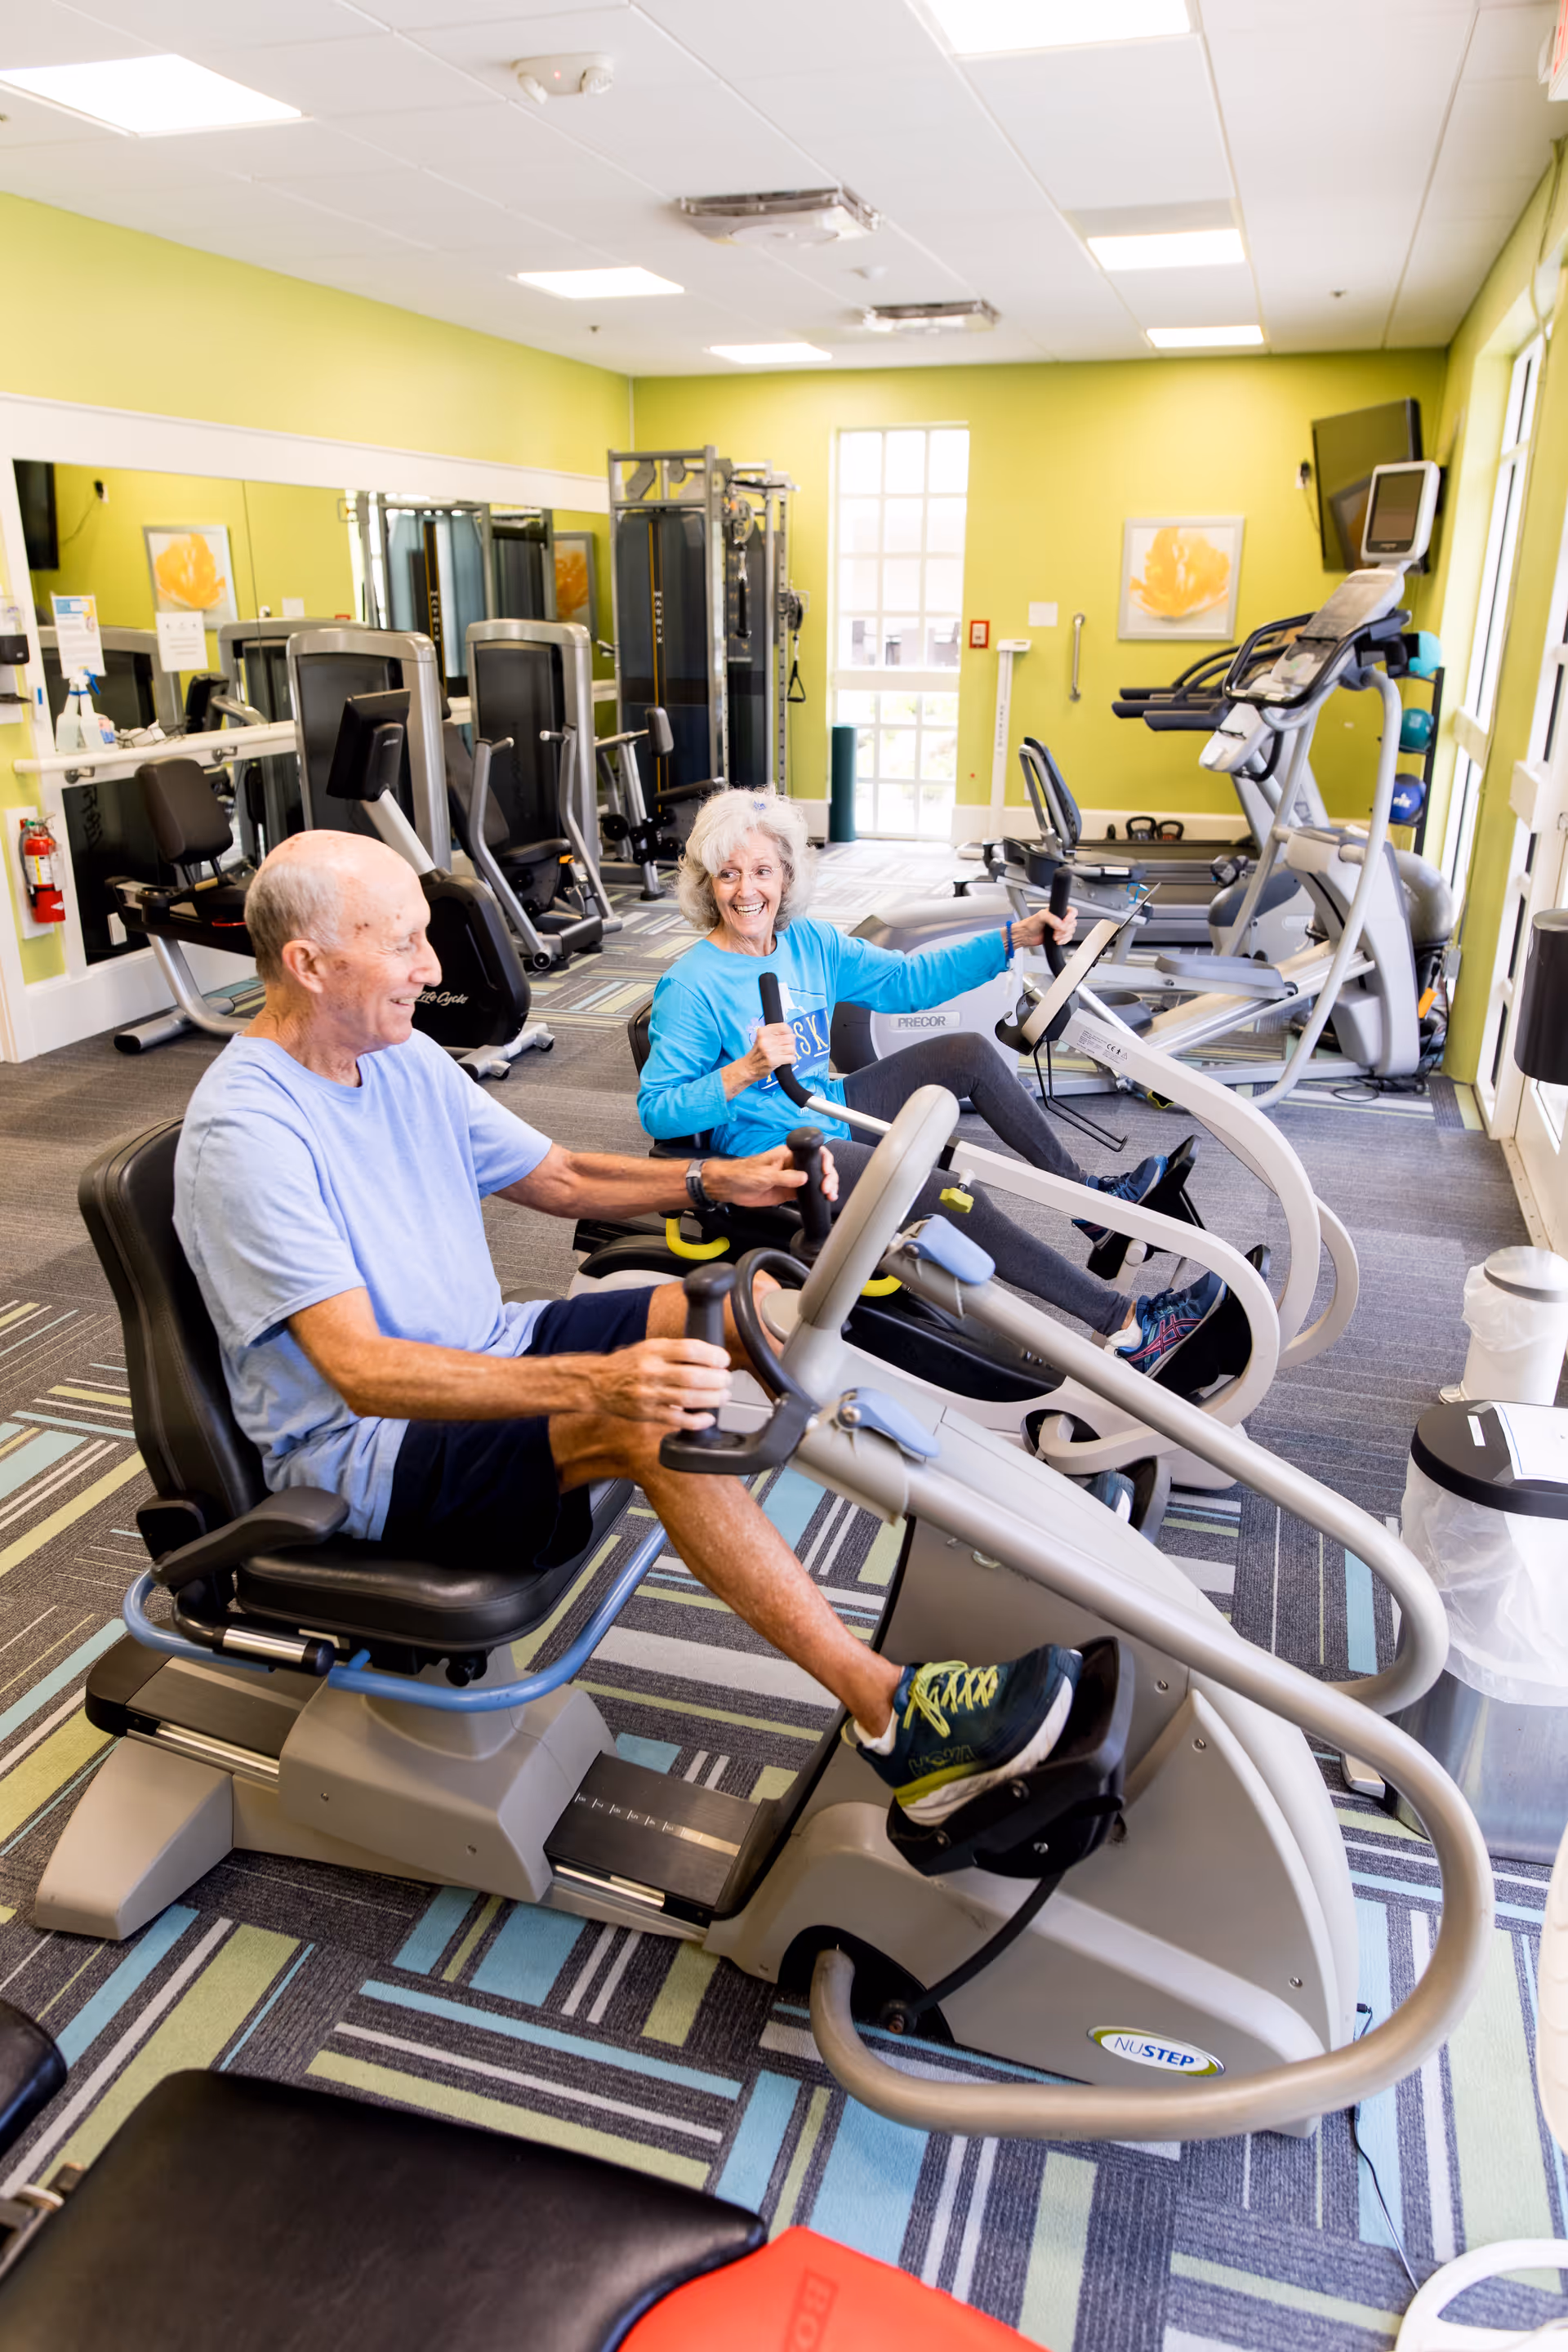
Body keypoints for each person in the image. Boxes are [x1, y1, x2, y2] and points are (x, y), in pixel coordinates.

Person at [172, 828, 1080, 1823]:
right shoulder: (248, 1134)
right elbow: (366, 1373)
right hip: (371, 1452)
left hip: (488, 1350)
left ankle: (1027, 1520)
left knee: (746, 1306)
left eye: (426, 939)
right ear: (308, 964)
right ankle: (895, 1719)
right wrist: (599, 1386)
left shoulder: (399, 1058)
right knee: (648, 1419)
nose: (431, 970)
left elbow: (559, 1176)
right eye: (403, 946)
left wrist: (713, 1177)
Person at [637, 787, 1241, 1383]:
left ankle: (1092, 1207)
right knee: (945, 1191)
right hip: (776, 1153)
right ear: (707, 885)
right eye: (729, 874)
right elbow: (658, 1112)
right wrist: (743, 1070)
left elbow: (906, 983)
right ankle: (1130, 1325)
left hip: (828, 1108)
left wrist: (1013, 938)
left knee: (968, 1052)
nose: (747, 891)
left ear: (787, 877)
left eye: (763, 871)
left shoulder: (808, 942)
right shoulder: (692, 985)